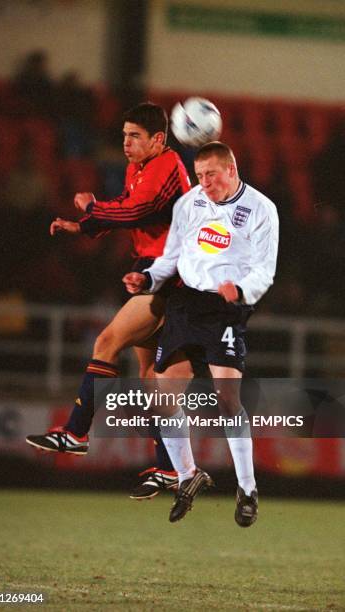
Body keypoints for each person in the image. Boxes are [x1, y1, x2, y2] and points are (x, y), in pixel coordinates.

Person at [26, 102, 197, 495]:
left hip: (168, 273)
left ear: (158, 139)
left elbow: (137, 209)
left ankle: (76, 432)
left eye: (134, 136)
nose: (126, 143)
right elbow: (126, 208)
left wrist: (91, 208)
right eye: (123, 136)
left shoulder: (168, 166)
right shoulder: (138, 166)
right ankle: (170, 468)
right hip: (151, 267)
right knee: (153, 380)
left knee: (107, 341)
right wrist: (85, 225)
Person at [123, 141, 279, 525]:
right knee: (162, 395)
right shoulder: (189, 204)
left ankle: (247, 489)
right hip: (185, 304)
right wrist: (147, 277)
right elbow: (171, 258)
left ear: (231, 169)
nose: (204, 183)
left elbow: (265, 269)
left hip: (225, 308)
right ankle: (189, 477)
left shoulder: (261, 209)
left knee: (227, 399)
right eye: (199, 176)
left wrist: (241, 291)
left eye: (211, 175)